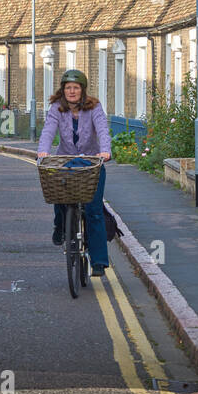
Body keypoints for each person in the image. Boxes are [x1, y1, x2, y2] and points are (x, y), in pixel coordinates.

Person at [37, 69, 112, 276]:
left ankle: (98, 262)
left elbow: (103, 130)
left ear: (82, 90)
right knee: (58, 197)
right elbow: (48, 131)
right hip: (65, 162)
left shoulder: (94, 107)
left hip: (91, 164)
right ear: (63, 90)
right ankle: (60, 226)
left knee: (94, 211)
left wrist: (105, 151)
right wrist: (43, 151)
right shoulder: (56, 109)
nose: (71, 91)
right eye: (68, 87)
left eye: (76, 88)